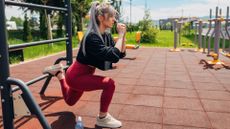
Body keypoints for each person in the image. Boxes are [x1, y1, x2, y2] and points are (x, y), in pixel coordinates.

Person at [43, 1, 126, 128]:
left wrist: (123, 36)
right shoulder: (92, 37)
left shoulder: (105, 35)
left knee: (70, 102)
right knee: (110, 84)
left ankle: (60, 74)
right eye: (111, 16)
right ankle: (103, 117)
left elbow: (120, 54)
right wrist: (120, 35)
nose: (114, 20)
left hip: (81, 74)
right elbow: (112, 56)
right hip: (77, 76)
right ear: (101, 18)